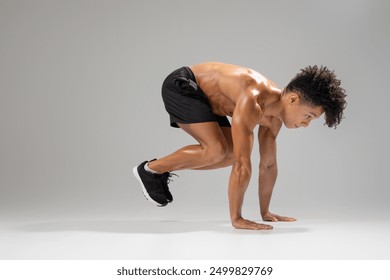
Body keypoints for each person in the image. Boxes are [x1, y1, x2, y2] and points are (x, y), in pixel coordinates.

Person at [133, 62, 347, 230]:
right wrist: (237, 219)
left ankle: (156, 171)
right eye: (308, 116)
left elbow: (269, 165)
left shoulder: (273, 120)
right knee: (218, 151)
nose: (306, 124)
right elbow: (243, 165)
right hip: (183, 84)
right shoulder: (253, 100)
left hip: (206, 99)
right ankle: (151, 170)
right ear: (292, 99)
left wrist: (266, 212)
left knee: (227, 155)